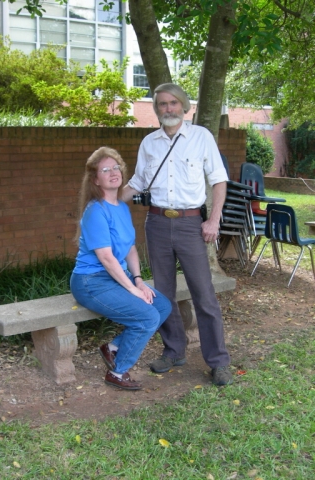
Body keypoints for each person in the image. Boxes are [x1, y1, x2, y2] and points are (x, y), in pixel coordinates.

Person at [122, 83, 233, 386]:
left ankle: (218, 361)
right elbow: (137, 182)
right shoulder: (149, 143)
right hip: (156, 223)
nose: (168, 109)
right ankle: (174, 350)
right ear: (156, 108)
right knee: (164, 294)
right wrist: (108, 198)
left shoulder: (201, 138)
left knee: (204, 294)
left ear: (184, 107)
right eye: (162, 104)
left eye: (173, 103)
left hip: (190, 224)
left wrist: (213, 220)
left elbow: (219, 181)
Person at [70, 146, 172, 391]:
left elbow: (130, 249)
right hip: (91, 281)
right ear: (96, 179)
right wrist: (133, 289)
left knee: (161, 305)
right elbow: (106, 258)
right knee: (147, 317)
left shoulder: (122, 207)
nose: (113, 172)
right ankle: (118, 371)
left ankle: (113, 347)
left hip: (116, 277)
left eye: (116, 167)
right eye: (105, 170)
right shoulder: (96, 211)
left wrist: (138, 280)